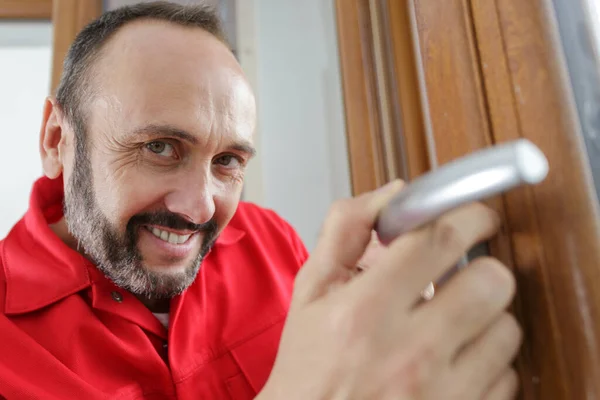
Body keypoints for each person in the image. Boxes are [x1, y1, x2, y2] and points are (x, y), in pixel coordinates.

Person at [0, 2, 522, 399]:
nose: (201, 209)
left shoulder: (271, 240)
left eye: (227, 161)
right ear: (55, 141)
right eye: (159, 148)